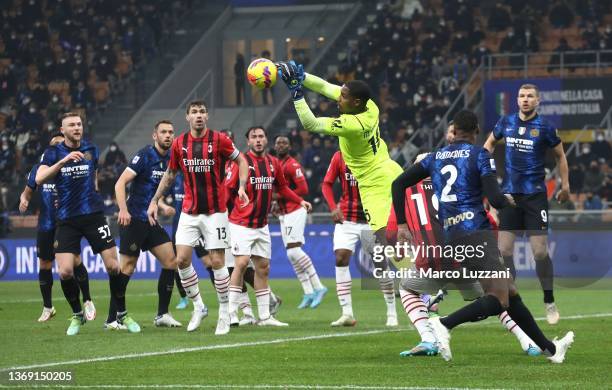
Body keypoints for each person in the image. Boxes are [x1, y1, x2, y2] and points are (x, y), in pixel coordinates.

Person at [392, 110, 574, 363]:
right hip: (476, 233)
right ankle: (443, 323)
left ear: (453, 131)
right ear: (477, 131)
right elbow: (497, 199)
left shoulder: (436, 157)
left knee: (510, 293)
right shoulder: (480, 155)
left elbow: (397, 184)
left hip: (453, 236)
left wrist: (402, 224)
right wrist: (510, 201)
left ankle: (550, 350)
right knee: (499, 298)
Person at [147, 100, 249, 335]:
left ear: (207, 116)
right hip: (189, 212)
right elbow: (170, 173)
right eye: (194, 112)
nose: (199, 115)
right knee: (180, 260)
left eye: (203, 111)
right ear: (188, 117)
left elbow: (241, 160)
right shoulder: (179, 143)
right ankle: (199, 306)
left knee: (217, 262)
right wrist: (154, 200)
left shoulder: (219, 140)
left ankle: (225, 312)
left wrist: (242, 186)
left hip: (216, 212)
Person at [277, 60, 404, 246]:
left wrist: (297, 92)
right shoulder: (370, 106)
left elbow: (310, 124)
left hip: (374, 183)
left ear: (356, 102)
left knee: (385, 240)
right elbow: (326, 87)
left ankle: (417, 271)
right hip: (391, 169)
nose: (339, 98)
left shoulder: (353, 125)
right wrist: (303, 77)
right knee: (404, 226)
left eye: (343, 97)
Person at [484, 83, 570, 325]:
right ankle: (511, 297)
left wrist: (565, 185)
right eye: (522, 96)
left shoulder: (545, 128)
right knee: (504, 251)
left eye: (530, 96)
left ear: (538, 101)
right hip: (510, 196)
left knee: (540, 252)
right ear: (517, 100)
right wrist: (486, 170)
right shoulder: (506, 123)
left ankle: (549, 300)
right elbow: (489, 145)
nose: (525, 99)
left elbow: (560, 156)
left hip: (535, 197)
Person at [36, 112, 128, 336]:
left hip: (94, 215)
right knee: (66, 271)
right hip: (67, 219)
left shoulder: (91, 149)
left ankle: (121, 314)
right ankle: (77, 314)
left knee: (114, 267)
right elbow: (39, 178)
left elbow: (93, 177)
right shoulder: (52, 153)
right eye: (72, 125)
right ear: (62, 129)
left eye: (79, 124)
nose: (77, 128)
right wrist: (63, 161)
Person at [227, 126, 310, 326]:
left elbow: (282, 187)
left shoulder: (273, 163)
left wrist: (299, 201)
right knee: (240, 263)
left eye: (261, 136)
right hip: (241, 223)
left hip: (262, 225)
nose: (258, 140)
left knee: (263, 268)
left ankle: (264, 317)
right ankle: (230, 312)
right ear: (248, 142)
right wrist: (228, 214)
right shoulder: (241, 162)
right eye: (254, 137)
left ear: (266, 140)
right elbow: (227, 189)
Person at [111, 119, 182, 331]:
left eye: (171, 132)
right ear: (155, 135)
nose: (168, 135)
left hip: (151, 220)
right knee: (127, 268)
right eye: (163, 132)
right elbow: (120, 183)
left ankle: (162, 315)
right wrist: (123, 210)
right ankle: (114, 318)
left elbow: (152, 191)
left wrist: (161, 206)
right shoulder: (144, 155)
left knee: (171, 261)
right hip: (133, 219)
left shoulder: (171, 159)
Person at [19, 133, 95, 323]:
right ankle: (47, 307)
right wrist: (24, 199)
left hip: (66, 223)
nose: (57, 149)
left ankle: (87, 300)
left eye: (60, 145)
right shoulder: (39, 170)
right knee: (44, 263)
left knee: (74, 261)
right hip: (46, 224)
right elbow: (28, 190)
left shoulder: (73, 169)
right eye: (53, 146)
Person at [321, 151, 398, 327]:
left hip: (372, 218)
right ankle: (347, 313)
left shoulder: (376, 154)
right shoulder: (339, 156)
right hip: (346, 218)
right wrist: (333, 207)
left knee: (380, 264)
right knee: (340, 257)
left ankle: (392, 312)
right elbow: (326, 184)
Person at [273, 134, 327, 308]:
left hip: (295, 210)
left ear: (290, 146)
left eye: (284, 143)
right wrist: (276, 202)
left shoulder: (293, 165)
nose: (281, 145)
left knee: (294, 250)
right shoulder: (276, 164)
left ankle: (318, 287)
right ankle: (308, 292)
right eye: (278, 143)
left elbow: (303, 188)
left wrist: (278, 195)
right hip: (284, 212)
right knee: (291, 253)